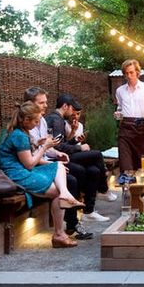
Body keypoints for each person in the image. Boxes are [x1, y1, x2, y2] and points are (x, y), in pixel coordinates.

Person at [0, 101, 84, 248]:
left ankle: (65, 194)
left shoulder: (20, 132)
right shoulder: (19, 136)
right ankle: (59, 234)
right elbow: (30, 163)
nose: (38, 125)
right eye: (36, 121)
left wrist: (41, 149)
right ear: (26, 120)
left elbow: (29, 159)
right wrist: (44, 147)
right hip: (15, 175)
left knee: (59, 166)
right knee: (56, 192)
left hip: (22, 170)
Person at [23, 87, 92, 240]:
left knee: (82, 170)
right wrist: (51, 162)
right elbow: (31, 158)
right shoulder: (26, 126)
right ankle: (71, 224)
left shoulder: (41, 120)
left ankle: (74, 220)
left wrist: (57, 153)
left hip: (44, 161)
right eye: (42, 103)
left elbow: (46, 147)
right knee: (73, 177)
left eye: (46, 102)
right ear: (30, 104)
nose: (46, 106)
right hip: (33, 167)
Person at [45, 94, 110, 222]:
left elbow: (61, 144)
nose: (73, 112)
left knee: (94, 170)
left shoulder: (56, 119)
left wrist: (74, 140)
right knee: (97, 155)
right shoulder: (57, 120)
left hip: (63, 155)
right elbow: (59, 148)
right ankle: (103, 189)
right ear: (65, 106)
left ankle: (88, 211)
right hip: (59, 158)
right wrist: (80, 148)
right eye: (71, 109)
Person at [113, 59, 144, 173]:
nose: (129, 75)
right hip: (125, 128)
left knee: (141, 162)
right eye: (126, 73)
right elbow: (120, 108)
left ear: (137, 72)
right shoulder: (120, 91)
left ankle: (141, 189)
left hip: (140, 126)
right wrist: (118, 114)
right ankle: (126, 188)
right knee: (125, 162)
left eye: (131, 72)